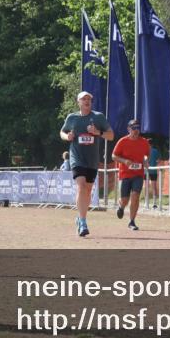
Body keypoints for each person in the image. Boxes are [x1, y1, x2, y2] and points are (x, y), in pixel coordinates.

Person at [60, 91, 113, 237]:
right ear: (78, 102)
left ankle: (79, 218)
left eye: (89, 99)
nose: (87, 101)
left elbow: (111, 135)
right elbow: (62, 132)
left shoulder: (98, 117)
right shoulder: (72, 118)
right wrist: (67, 137)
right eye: (84, 99)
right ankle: (83, 222)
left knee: (88, 190)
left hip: (92, 160)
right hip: (77, 157)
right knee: (81, 185)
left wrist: (98, 133)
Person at [112, 118, 150, 231]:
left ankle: (132, 221)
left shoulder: (144, 142)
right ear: (129, 129)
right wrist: (125, 161)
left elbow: (146, 155)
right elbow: (113, 156)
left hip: (138, 174)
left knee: (135, 196)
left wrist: (146, 161)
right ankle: (121, 207)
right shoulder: (122, 141)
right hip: (125, 174)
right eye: (134, 128)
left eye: (138, 128)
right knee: (125, 199)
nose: (136, 130)